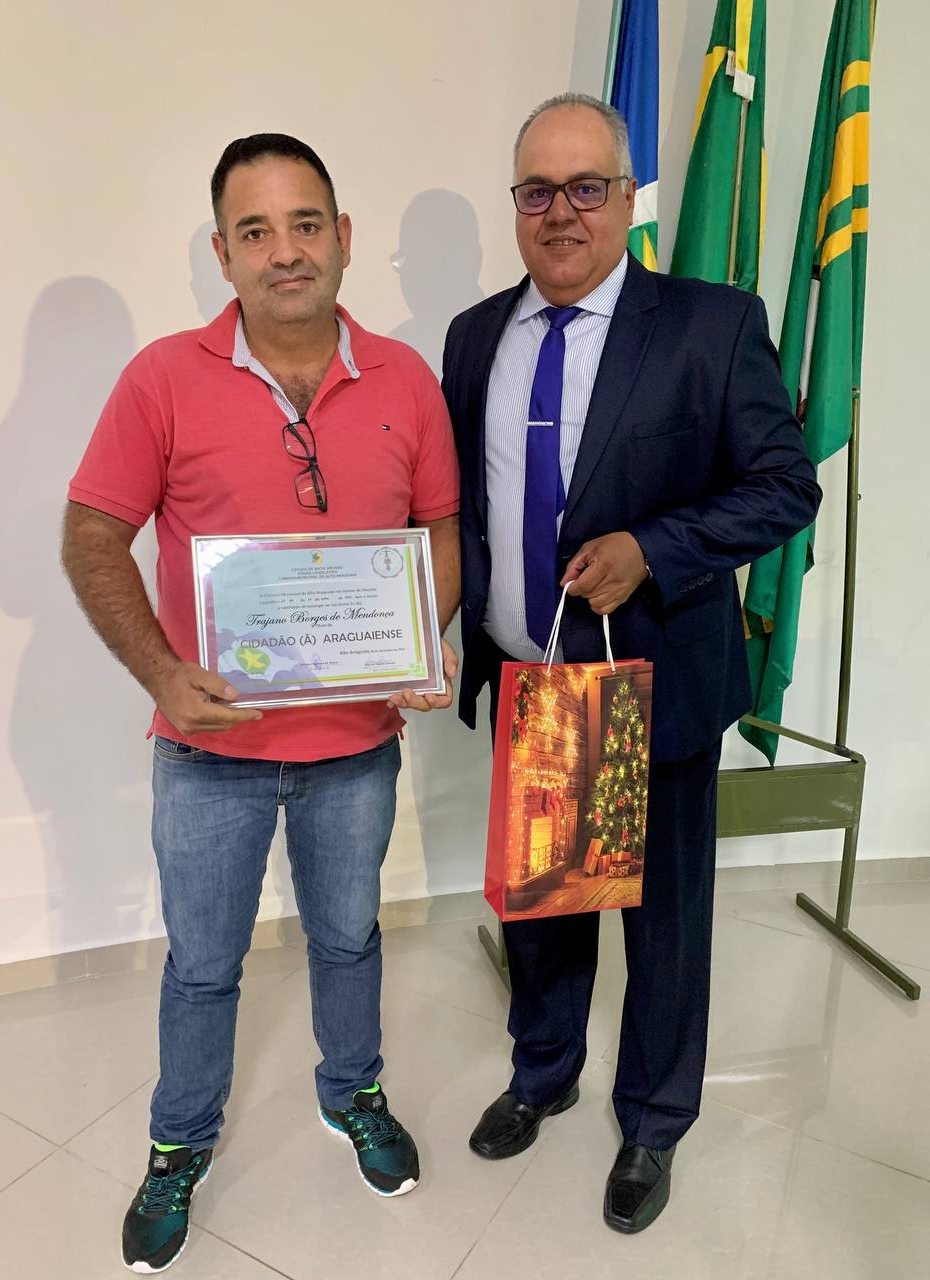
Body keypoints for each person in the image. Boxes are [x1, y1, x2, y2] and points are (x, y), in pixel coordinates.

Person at [62, 133, 460, 1274]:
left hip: (356, 747)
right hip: (209, 753)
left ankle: (353, 1093)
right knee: (202, 964)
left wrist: (423, 635)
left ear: (343, 238)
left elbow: (440, 527)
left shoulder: (407, 379)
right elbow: (92, 533)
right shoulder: (161, 378)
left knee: (349, 938)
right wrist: (160, 672)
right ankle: (178, 1142)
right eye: (256, 230)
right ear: (223, 254)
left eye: (305, 224)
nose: (285, 251)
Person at [442, 94, 821, 1235]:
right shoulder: (474, 337)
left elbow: (784, 487)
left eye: (585, 187)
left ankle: (654, 1119)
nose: (560, 212)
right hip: (537, 682)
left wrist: (654, 548)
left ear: (624, 196)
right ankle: (544, 1072)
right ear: (516, 204)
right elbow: (462, 508)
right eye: (536, 191)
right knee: (545, 911)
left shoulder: (710, 325)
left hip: (651, 683)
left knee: (662, 924)